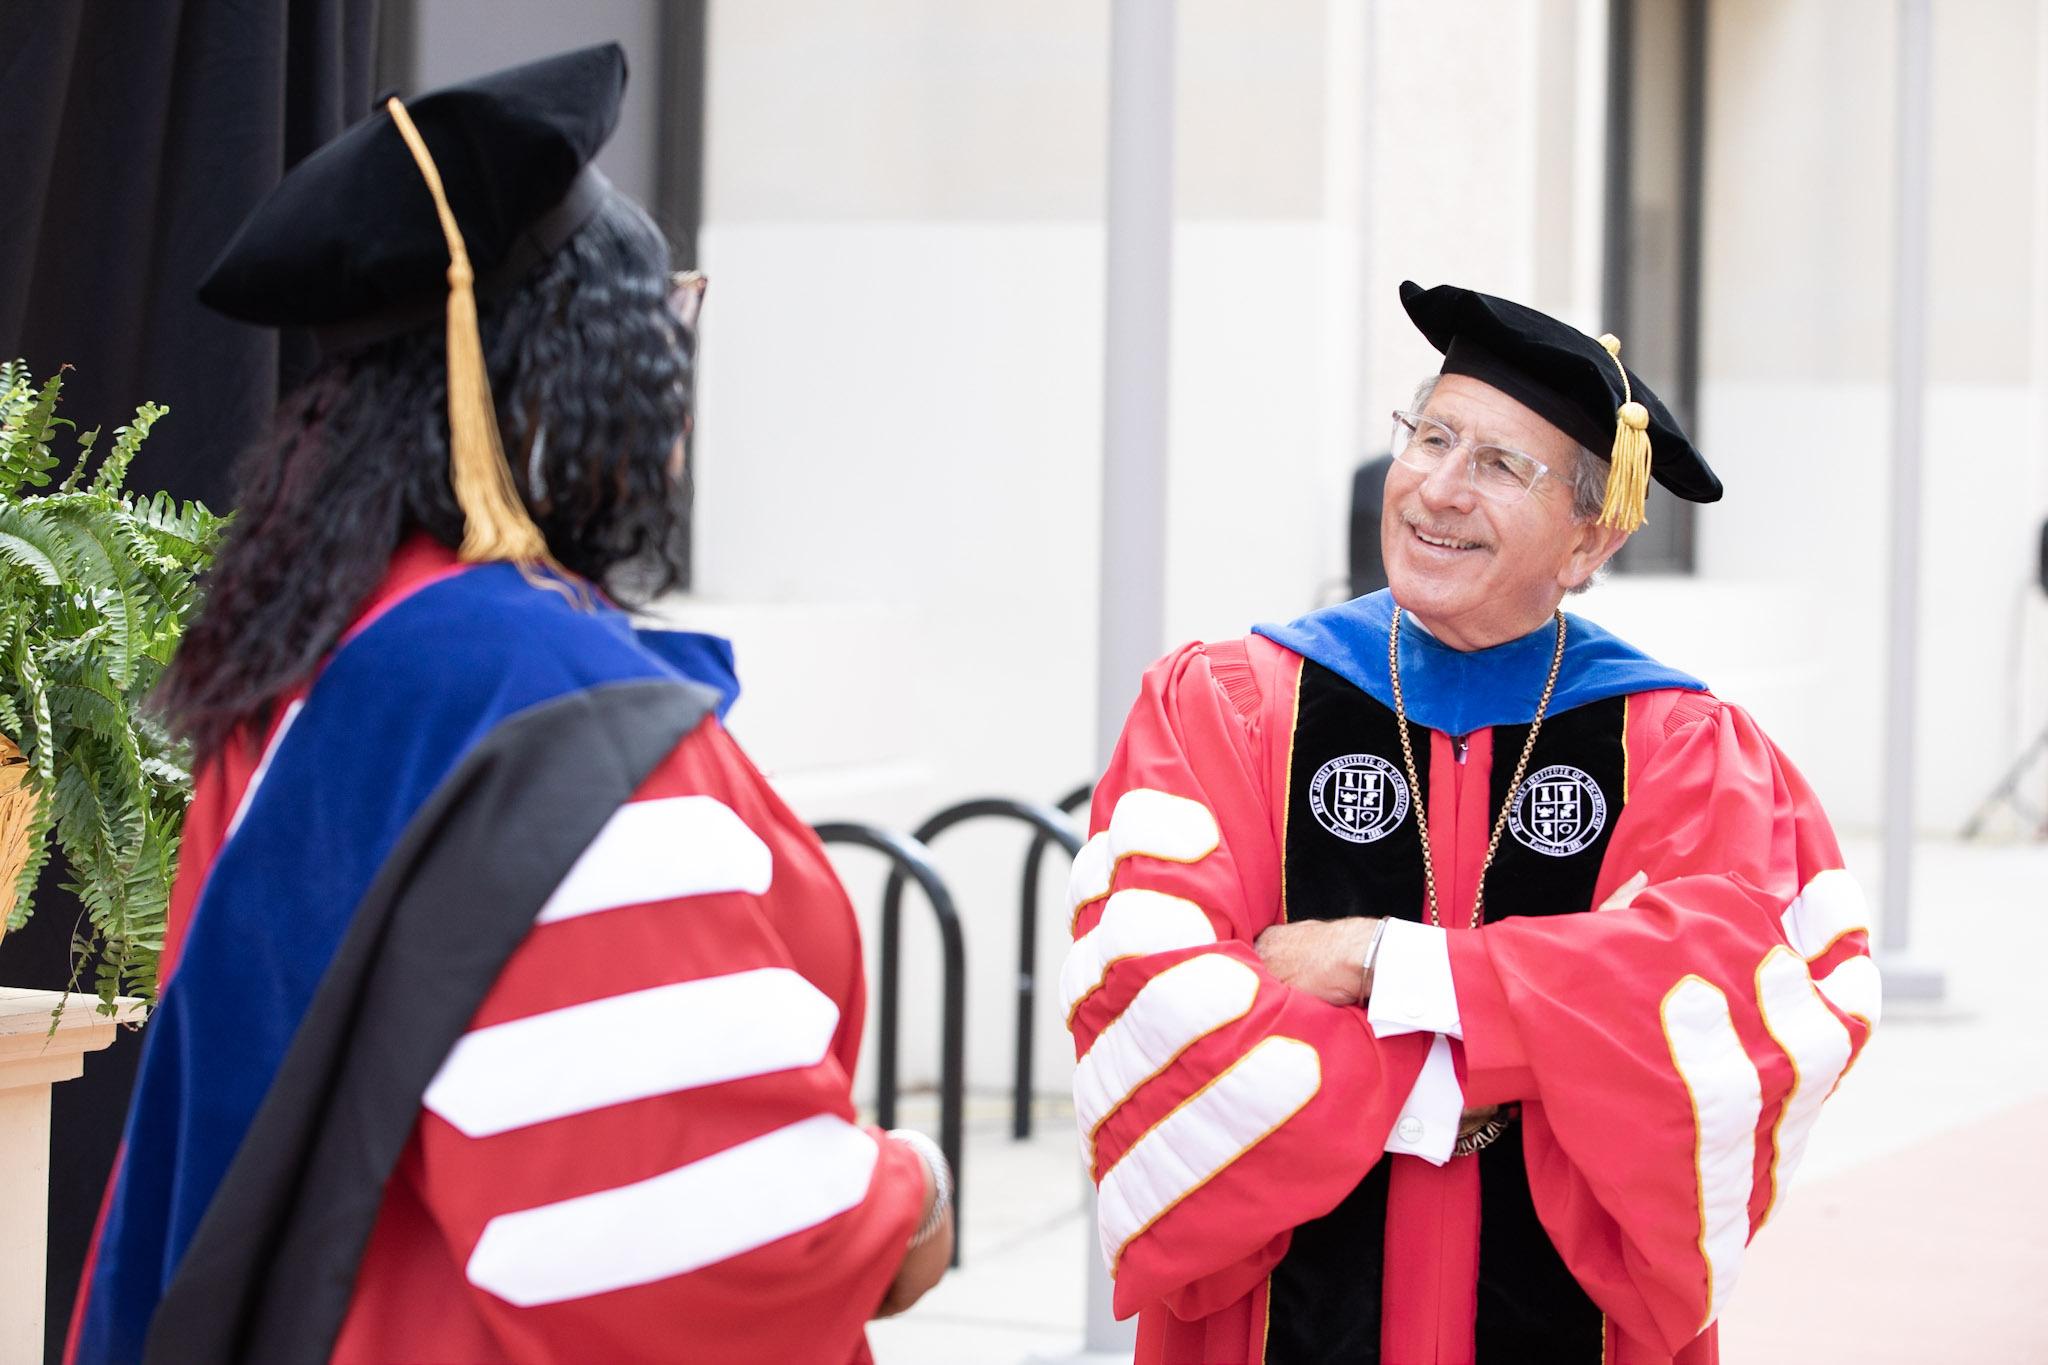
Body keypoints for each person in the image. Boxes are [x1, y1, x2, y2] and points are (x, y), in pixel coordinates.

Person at [69, 44, 949, 1365]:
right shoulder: (557, 712)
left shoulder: (316, 658)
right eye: (662, 321)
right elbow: (679, 1231)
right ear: (576, 364)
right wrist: (912, 1198)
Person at [1065, 280, 1878, 1364]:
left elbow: (1730, 1003)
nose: (1436, 491)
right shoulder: (1232, 705)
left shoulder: (1676, 748)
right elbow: (1151, 982)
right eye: (1430, 437)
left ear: (1587, 540)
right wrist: (1496, 1069)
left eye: (1499, 466)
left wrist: (1383, 966)